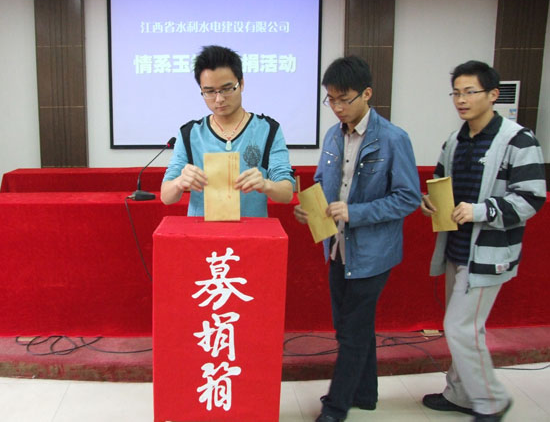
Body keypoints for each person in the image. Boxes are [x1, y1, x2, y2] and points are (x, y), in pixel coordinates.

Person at [294, 55, 421, 422]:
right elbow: (322, 182)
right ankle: (365, 393)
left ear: (366, 93)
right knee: (352, 326)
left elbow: (408, 198)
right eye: (330, 99)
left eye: (343, 99)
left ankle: (336, 407)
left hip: (373, 253)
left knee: (350, 331)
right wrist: (311, 208)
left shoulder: (393, 139)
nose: (336, 107)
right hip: (336, 247)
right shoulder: (333, 135)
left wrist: (356, 212)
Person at [420, 60, 547, 422]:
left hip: (488, 255)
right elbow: (441, 181)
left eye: (470, 92)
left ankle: (492, 400)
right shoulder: (455, 140)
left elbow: (532, 198)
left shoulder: (518, 140)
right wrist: (430, 202)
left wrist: (481, 211)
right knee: (462, 329)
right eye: (456, 93)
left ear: (493, 95)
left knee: (461, 328)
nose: (461, 100)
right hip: (456, 249)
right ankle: (460, 393)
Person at [161, 45, 294, 214]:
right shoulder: (190, 133)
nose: (219, 99)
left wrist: (266, 184)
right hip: (202, 229)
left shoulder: (268, 130)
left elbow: (287, 193)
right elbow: (166, 197)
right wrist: (179, 182)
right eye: (209, 91)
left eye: (226, 89)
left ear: (241, 83)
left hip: (252, 229)